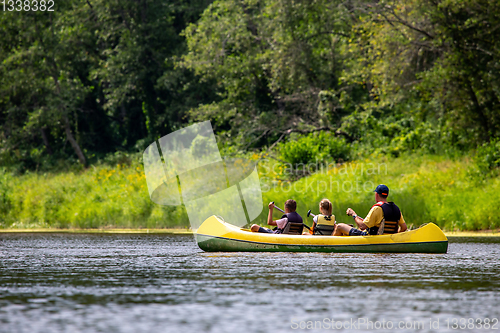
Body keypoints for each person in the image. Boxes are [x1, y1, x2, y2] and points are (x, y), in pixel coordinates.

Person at [333, 184, 407, 236]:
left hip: (370, 237)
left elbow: (362, 226)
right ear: (386, 195)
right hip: (386, 238)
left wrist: (353, 214)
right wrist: (393, 236)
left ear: (376, 194)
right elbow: (404, 227)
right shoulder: (396, 209)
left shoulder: (377, 208)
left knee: (340, 226)